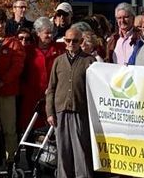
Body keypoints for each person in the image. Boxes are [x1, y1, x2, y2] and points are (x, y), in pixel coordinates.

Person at [46, 27, 96, 178]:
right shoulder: (58, 61)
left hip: (80, 111)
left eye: (75, 41)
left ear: (81, 42)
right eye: (68, 40)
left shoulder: (89, 61)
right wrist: (50, 113)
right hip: (60, 111)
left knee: (81, 150)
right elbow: (51, 88)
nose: (71, 43)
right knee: (63, 151)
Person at [0, 9, 25, 172]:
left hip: (7, 92)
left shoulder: (14, 42)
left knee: (9, 129)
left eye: (1, 22)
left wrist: (2, 82)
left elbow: (17, 66)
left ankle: (11, 160)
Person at [18, 17, 64, 131]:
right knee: (30, 128)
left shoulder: (59, 49)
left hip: (52, 94)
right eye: (46, 33)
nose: (50, 36)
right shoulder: (28, 50)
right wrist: (25, 89)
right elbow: (21, 72)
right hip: (31, 96)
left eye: (51, 33)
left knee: (51, 127)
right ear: (38, 33)